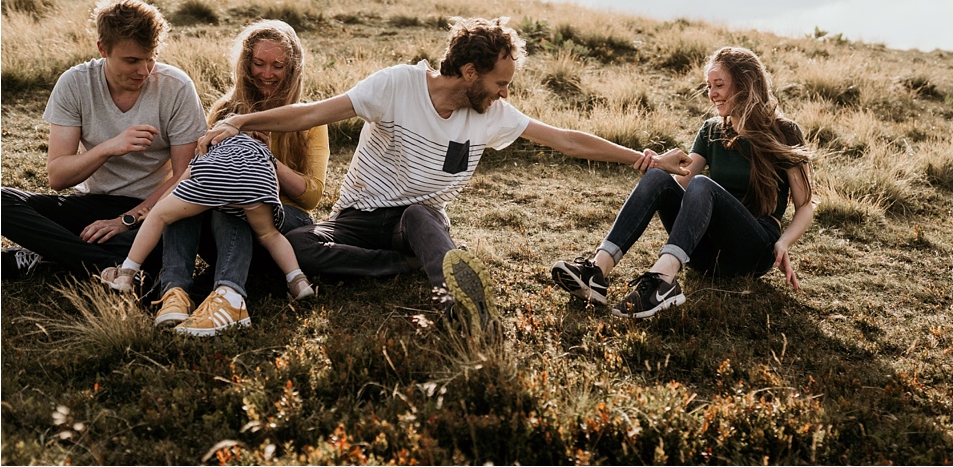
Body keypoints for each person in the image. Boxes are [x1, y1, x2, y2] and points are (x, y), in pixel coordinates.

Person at [199, 18, 692, 335]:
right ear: (471, 70)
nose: (504, 93)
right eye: (500, 82)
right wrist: (243, 121)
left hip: (417, 226)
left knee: (420, 212)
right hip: (354, 221)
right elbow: (313, 113)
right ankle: (398, 269)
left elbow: (566, 139)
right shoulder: (397, 85)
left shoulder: (491, 114)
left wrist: (642, 158)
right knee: (297, 242)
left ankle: (456, 295)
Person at [549, 46, 814, 319]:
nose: (712, 94)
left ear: (746, 84)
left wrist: (783, 243)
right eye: (709, 86)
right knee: (658, 177)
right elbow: (683, 186)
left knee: (702, 184)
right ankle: (597, 271)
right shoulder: (711, 130)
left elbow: (805, 205)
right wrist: (656, 170)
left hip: (753, 252)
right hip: (706, 254)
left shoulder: (785, 131)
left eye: (719, 85)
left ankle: (663, 281)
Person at [0, 0, 206, 282]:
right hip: (92, 205)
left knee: (164, 242)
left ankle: (50, 255)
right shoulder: (75, 83)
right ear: (102, 48)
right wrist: (108, 148)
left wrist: (126, 220)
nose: (144, 71)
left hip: (153, 209)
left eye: (151, 58)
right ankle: (107, 266)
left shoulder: (177, 87)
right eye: (132, 60)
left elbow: (184, 176)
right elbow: (58, 177)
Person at [155, 19, 330, 336]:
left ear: (292, 69)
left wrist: (266, 160)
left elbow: (312, 196)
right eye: (259, 63)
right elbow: (204, 174)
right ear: (246, 64)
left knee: (239, 199)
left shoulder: (307, 118)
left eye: (278, 66)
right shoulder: (226, 110)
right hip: (232, 218)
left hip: (287, 219)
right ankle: (174, 293)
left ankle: (229, 295)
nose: (267, 74)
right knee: (191, 201)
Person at [98, 132, 315, 310]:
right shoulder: (263, 152)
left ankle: (127, 273)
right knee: (270, 235)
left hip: (213, 177)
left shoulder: (211, 147)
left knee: (160, 216)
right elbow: (272, 189)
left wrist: (154, 209)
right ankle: (298, 281)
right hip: (256, 185)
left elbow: (181, 182)